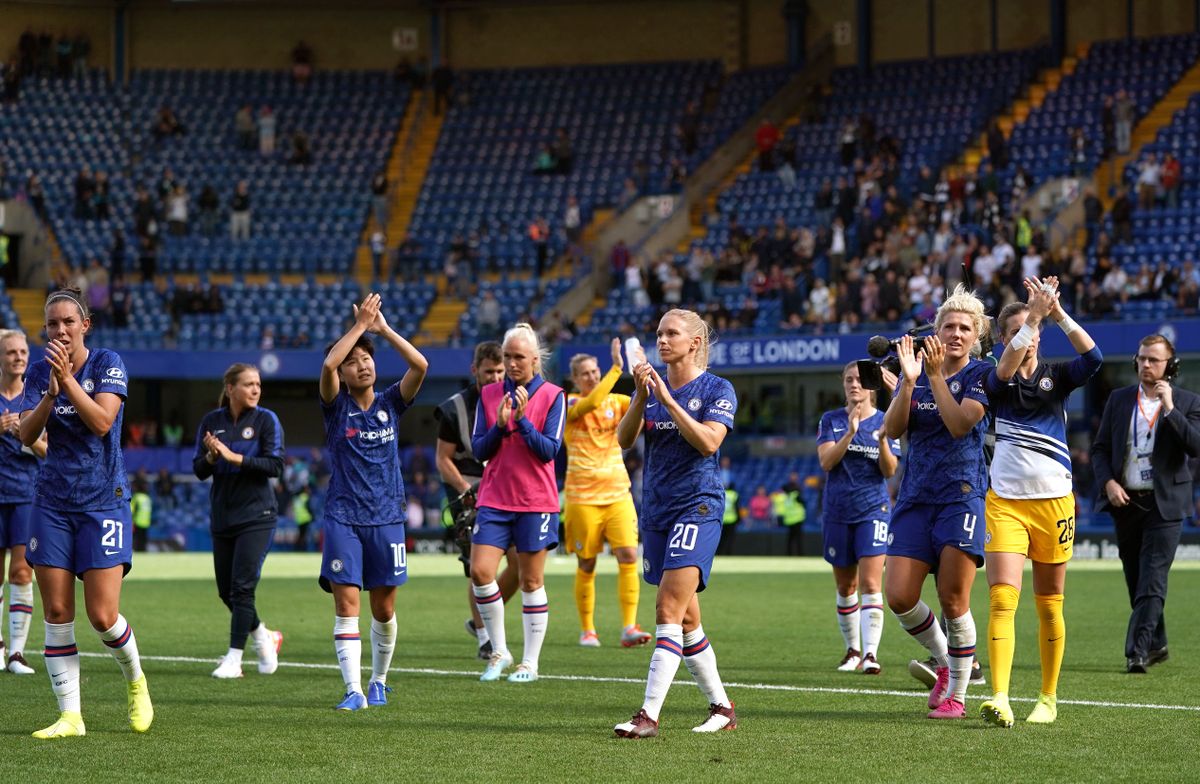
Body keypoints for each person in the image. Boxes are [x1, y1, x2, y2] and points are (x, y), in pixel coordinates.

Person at [18, 289, 153, 738]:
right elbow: (25, 433)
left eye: (67, 323)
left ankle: (136, 679)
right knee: (56, 611)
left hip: (103, 501)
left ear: (85, 326)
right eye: (52, 324)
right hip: (52, 502)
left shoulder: (107, 363)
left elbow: (102, 423)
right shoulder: (40, 374)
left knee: (102, 616)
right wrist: (48, 393)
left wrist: (68, 382)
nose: (59, 331)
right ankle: (70, 716)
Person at [979, 278, 1102, 727]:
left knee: (1049, 604)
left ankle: (1048, 698)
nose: (1023, 339)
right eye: (1014, 332)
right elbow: (1006, 370)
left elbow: (1094, 358)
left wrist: (1057, 314)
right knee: (1001, 600)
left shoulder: (1058, 377)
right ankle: (1000, 696)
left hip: (1053, 503)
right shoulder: (997, 381)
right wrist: (1032, 316)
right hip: (1005, 503)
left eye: (1029, 331)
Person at [613, 309, 738, 739]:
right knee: (686, 621)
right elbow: (624, 440)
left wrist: (668, 401)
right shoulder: (652, 388)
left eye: (671, 334)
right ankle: (722, 706)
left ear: (695, 343)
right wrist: (642, 398)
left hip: (697, 507)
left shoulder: (717, 389)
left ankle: (648, 716)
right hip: (658, 510)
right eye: (659, 333)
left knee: (667, 609)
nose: (662, 341)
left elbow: (708, 442)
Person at [882, 285, 991, 720]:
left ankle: (958, 696)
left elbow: (961, 424)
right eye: (949, 326)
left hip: (960, 497)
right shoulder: (917, 372)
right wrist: (908, 383)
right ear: (937, 330)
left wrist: (933, 377)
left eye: (966, 327)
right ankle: (946, 662)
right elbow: (892, 429)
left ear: (977, 333)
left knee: (952, 598)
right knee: (899, 596)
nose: (956, 333)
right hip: (915, 497)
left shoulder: (980, 375)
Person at [319, 293, 428, 709]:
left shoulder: (391, 404)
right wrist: (360, 327)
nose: (361, 364)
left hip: (386, 518)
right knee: (347, 605)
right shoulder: (335, 407)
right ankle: (353, 690)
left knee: (382, 609)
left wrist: (382, 330)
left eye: (367, 358)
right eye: (354, 360)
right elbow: (328, 365)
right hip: (343, 517)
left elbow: (420, 366)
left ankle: (379, 680)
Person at [1090, 334, 1200, 674]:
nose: (1146, 365)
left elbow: (1195, 445)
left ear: (1171, 365)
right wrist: (1107, 481)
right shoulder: (1119, 399)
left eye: (1154, 360)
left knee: (1152, 578)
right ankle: (1157, 643)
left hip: (1165, 505)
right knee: (1137, 580)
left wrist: (1169, 409)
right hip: (1126, 503)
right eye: (1141, 359)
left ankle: (1135, 651)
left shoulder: (1187, 401)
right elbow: (1100, 449)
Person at [469, 324, 564, 683]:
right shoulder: (490, 393)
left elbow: (549, 451)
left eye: (518, 357)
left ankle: (530, 662)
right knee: (480, 572)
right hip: (495, 497)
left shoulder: (554, 395)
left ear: (535, 360)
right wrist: (498, 426)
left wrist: (522, 424)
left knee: (531, 580)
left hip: (535, 500)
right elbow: (480, 449)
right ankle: (499, 649)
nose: (511, 363)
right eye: (507, 356)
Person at [193, 363, 286, 679]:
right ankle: (263, 635)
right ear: (230, 388)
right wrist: (211, 457)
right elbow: (199, 470)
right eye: (248, 384)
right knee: (226, 591)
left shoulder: (266, 420)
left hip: (257, 516)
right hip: (223, 516)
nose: (256, 389)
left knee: (242, 589)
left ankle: (234, 659)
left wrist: (234, 458)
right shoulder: (211, 421)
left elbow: (275, 466)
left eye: (258, 384)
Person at [433, 341, 520, 660]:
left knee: (521, 566)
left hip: (505, 486)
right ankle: (485, 637)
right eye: (489, 372)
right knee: (477, 567)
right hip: (467, 487)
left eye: (500, 371)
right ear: (475, 371)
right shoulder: (454, 408)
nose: (496, 377)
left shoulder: (516, 398)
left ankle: (480, 617)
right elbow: (443, 459)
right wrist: (466, 491)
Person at [563, 339, 652, 649]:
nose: (591, 376)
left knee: (628, 556)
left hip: (617, 494)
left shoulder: (616, 402)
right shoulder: (569, 403)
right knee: (587, 563)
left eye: (595, 371)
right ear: (575, 379)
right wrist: (617, 368)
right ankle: (587, 629)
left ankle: (629, 626)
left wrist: (643, 375)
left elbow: (646, 407)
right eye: (585, 373)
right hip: (582, 498)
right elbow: (590, 403)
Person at [816, 361, 899, 675]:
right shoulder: (831, 420)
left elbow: (890, 471)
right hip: (838, 511)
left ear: (872, 387)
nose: (854, 385)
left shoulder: (885, 421)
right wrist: (849, 434)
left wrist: (880, 441)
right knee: (846, 586)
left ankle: (870, 654)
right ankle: (852, 650)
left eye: (860, 380)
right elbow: (826, 461)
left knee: (869, 582)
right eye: (849, 380)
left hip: (873, 510)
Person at [0, 330, 46, 674]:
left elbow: (51, 449)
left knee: (20, 573)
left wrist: (24, 434)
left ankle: (16, 653)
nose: (18, 357)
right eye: (11, 352)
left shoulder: (36, 397)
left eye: (23, 352)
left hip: (25, 494)